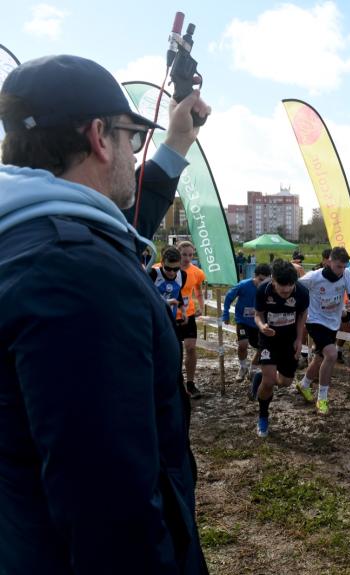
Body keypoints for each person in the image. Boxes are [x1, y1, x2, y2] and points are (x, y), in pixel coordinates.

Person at [0, 54, 210, 572]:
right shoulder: (75, 273)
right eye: (130, 138)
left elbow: (121, 217)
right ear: (99, 135)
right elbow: (109, 505)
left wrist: (177, 141)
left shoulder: (26, 236)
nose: (133, 156)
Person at [251, 260, 309, 437]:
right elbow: (258, 315)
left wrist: (299, 339)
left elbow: (302, 315)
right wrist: (261, 327)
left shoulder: (302, 292)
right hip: (268, 339)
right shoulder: (263, 290)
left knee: (285, 383)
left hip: (289, 341)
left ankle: (261, 377)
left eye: (290, 286)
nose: (286, 290)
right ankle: (263, 417)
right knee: (268, 383)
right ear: (273, 280)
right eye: (282, 286)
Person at [298, 247, 350, 415]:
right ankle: (322, 399)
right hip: (315, 320)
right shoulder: (313, 277)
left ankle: (303, 385)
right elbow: (292, 287)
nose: (341, 271)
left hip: (333, 321)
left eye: (344, 266)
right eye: (338, 266)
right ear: (329, 261)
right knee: (331, 354)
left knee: (320, 358)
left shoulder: (346, 273)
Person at [222, 263, 272, 382]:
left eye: (265, 280)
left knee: (262, 348)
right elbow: (229, 297)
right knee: (243, 344)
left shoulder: (269, 288)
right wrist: (226, 313)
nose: (262, 283)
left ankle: (253, 369)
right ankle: (243, 367)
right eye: (260, 279)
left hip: (259, 322)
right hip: (243, 320)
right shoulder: (244, 285)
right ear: (255, 276)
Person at [175, 240, 207, 398]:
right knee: (175, 351)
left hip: (189, 315)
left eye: (190, 255)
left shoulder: (197, 272)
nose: (187, 258)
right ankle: (174, 382)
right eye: (184, 254)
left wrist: (201, 306)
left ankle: (190, 383)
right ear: (177, 253)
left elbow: (198, 291)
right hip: (170, 315)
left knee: (190, 348)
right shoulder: (162, 268)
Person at [151, 246, 188, 329]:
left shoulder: (182, 276)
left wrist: (183, 310)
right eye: (168, 268)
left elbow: (178, 294)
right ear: (162, 263)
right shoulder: (153, 274)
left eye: (176, 269)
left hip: (170, 321)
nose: (172, 273)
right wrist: (164, 301)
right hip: (152, 321)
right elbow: (145, 297)